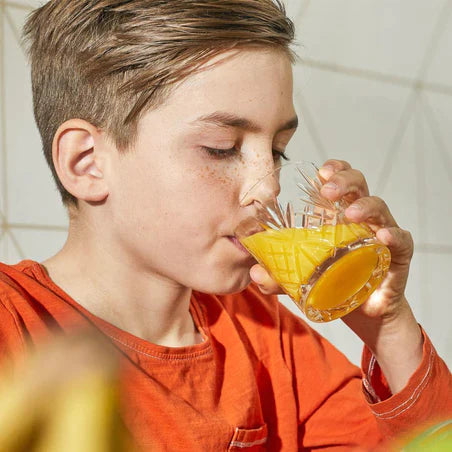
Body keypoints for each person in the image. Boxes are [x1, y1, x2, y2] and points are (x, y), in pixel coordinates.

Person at [0, 0, 450, 450]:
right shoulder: (13, 328)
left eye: (277, 150)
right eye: (221, 148)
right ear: (87, 163)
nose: (267, 187)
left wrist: (389, 329)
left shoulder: (267, 334)